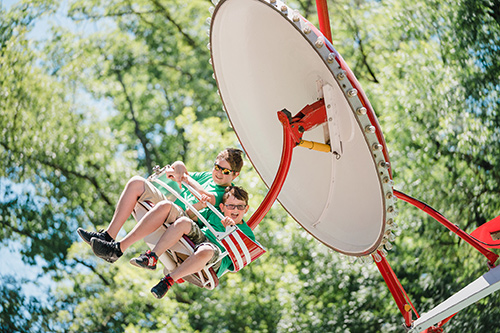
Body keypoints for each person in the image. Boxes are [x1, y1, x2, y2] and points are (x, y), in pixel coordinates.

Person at [77, 148, 244, 263]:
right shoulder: (208, 176)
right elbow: (181, 169)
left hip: (184, 218)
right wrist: (179, 167)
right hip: (171, 205)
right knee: (136, 182)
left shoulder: (226, 193)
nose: (219, 173)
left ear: (235, 175)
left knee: (165, 205)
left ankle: (117, 249)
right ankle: (108, 235)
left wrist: (185, 179)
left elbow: (206, 196)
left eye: (226, 171)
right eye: (217, 167)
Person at [128, 185, 254, 299]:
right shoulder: (215, 213)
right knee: (183, 222)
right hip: (201, 238)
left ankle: (168, 281)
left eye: (240, 207)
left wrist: (230, 232)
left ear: (246, 209)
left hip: (215, 256)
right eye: (231, 206)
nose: (235, 210)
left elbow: (237, 262)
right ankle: (152, 256)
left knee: (206, 250)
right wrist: (200, 205)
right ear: (222, 207)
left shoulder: (247, 234)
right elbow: (188, 216)